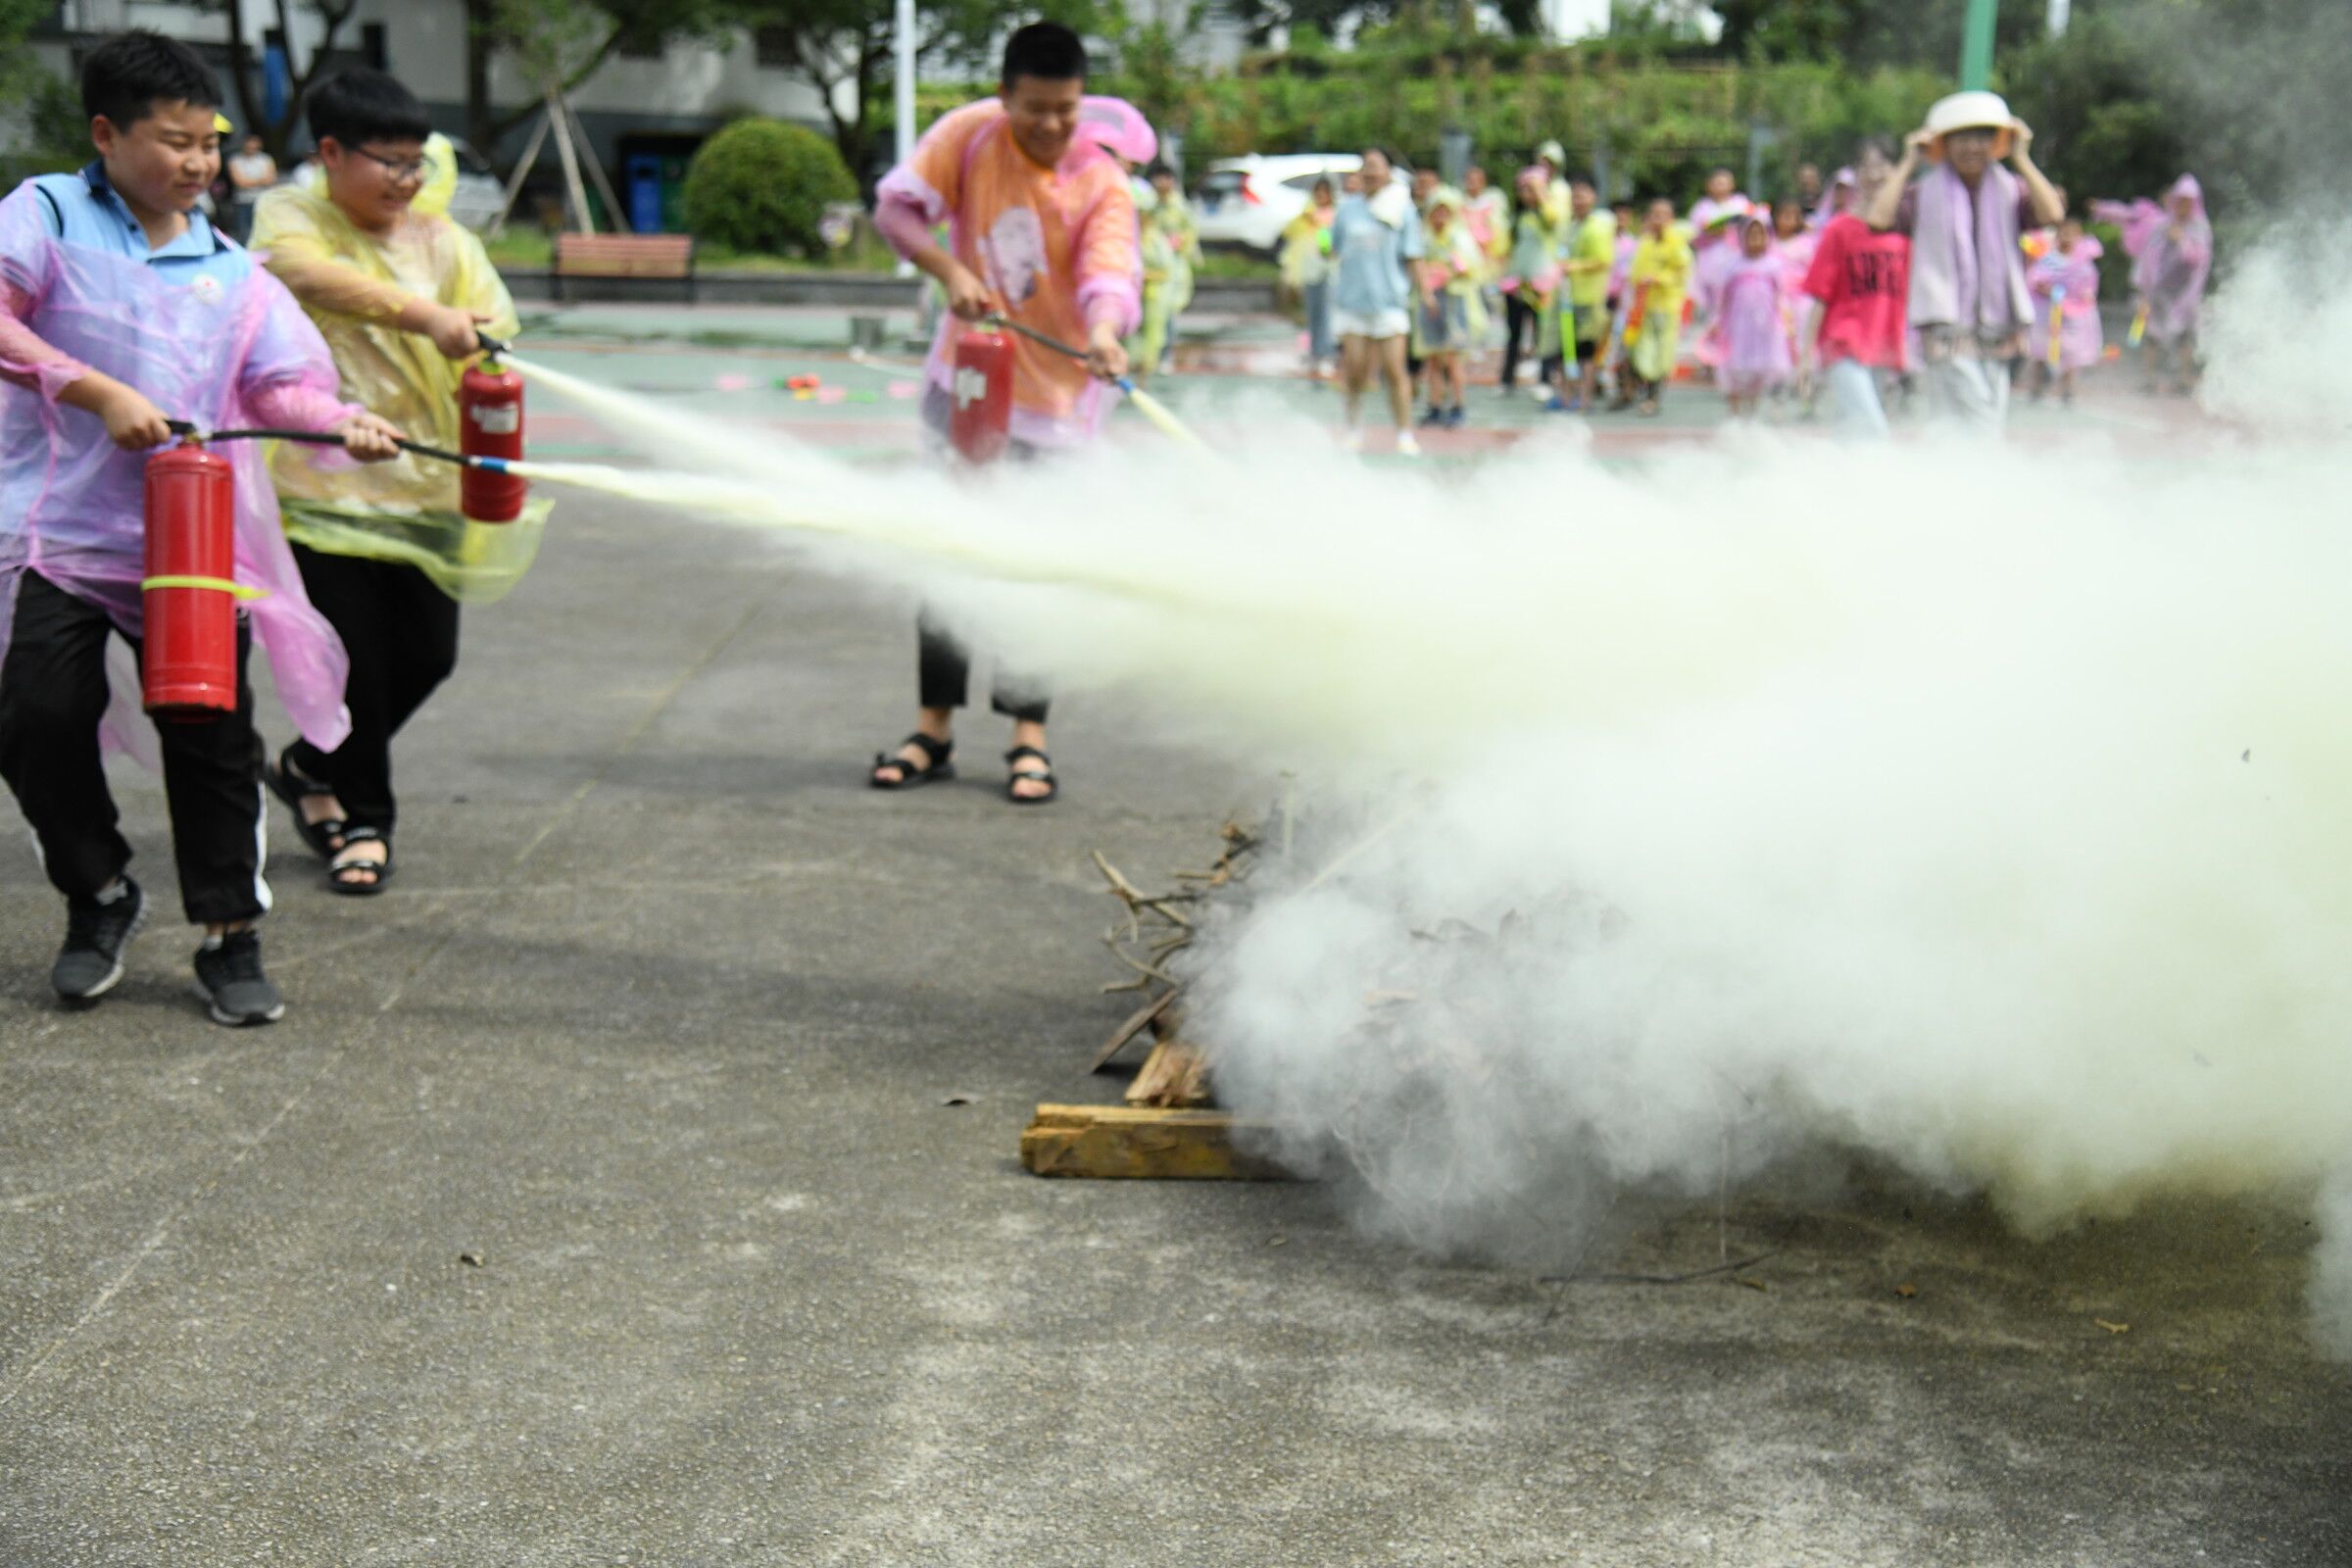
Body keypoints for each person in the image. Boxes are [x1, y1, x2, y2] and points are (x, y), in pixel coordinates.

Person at [0, 32, 401, 1022]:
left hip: (187, 543)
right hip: (60, 534)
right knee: (34, 720)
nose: (198, 163)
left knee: (211, 733)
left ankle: (231, 934)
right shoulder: (46, 215)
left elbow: (282, 384)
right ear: (106, 133)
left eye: (208, 143)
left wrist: (342, 420)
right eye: (174, 142)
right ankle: (98, 893)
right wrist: (94, 392)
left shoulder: (227, 263)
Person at [250, 67, 534, 895]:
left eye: (419, 164)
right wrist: (425, 317)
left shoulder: (443, 239)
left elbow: (492, 319)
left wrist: (475, 334)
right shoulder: (290, 215)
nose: (409, 182)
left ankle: (307, 763)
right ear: (332, 153)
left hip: (426, 482)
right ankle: (365, 822)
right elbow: (297, 275)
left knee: (427, 657)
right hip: (319, 485)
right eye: (391, 163)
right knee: (355, 666)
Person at [865, 21, 1139, 804]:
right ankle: (933, 729)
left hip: (1055, 404)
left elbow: (1108, 275)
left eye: (1068, 110)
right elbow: (896, 213)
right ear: (1005, 98)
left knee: (1033, 568)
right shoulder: (969, 137)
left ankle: (1029, 736)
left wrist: (1104, 333)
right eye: (1036, 111)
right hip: (967, 386)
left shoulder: (1103, 181)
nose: (1052, 127)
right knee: (947, 549)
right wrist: (949, 269)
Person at [1863, 90, 2064, 433]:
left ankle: (1952, 478)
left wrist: (2022, 159)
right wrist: (1910, 162)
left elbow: (2053, 213)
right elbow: (1878, 219)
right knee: (1982, 419)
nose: (1972, 148)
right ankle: (1986, 474)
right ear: (1946, 145)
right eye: (1962, 139)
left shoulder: (2011, 189)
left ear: (1994, 143)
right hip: (1945, 326)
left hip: (1997, 328)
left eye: (1981, 139)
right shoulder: (1924, 193)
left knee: (1963, 419)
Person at [1800, 137, 1911, 439]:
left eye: (1882, 166)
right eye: (1866, 167)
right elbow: (1820, 296)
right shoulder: (1840, 228)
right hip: (1843, 342)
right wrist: (1806, 354)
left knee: (1852, 430)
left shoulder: (1905, 229)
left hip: (1882, 346)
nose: (1874, 175)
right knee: (1873, 428)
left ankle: (1835, 482)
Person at [1330, 145, 1424, 457]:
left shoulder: (1402, 209)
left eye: (1376, 166)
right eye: (1365, 166)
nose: (1370, 172)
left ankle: (1404, 433)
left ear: (1388, 172)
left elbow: (1413, 256)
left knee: (1395, 370)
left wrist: (1425, 292)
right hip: (1353, 301)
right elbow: (1334, 249)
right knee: (1355, 370)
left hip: (1389, 302)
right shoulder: (1347, 209)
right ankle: (1354, 429)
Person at [2091, 174, 2211, 397]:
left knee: (2184, 338)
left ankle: (2182, 379)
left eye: (2188, 201)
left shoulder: (2199, 228)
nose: (2183, 205)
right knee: (2151, 336)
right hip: (2156, 294)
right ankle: (2150, 378)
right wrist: (2143, 289)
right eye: (2180, 200)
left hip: (2185, 296)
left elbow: (2199, 260)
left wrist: (2181, 241)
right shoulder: (2162, 225)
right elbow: (2148, 257)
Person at [1414, 186, 1480, 429]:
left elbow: (1471, 270)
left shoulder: (1458, 239)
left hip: (1454, 302)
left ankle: (1458, 405)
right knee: (1433, 358)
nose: (1440, 217)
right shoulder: (1424, 238)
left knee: (1453, 358)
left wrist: (1451, 271)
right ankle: (1434, 405)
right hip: (1430, 302)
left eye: (1445, 212)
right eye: (1436, 211)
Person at [1622, 197, 1691, 417]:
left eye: (1663, 214)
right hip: (1644, 307)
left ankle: (1653, 397)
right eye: (1654, 214)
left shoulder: (1676, 243)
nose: (1658, 219)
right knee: (1641, 351)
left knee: (1661, 354)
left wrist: (1659, 279)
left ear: (1671, 218)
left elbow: (1681, 272)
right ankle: (1635, 391)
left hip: (1667, 307)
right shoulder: (1645, 243)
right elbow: (1634, 274)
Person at [1718, 212, 1792, 417]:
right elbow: (1723, 299)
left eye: (1760, 235)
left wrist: (1785, 323)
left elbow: (1782, 296)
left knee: (1758, 369)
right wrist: (1718, 324)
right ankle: (1734, 413)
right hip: (1738, 325)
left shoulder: (1774, 265)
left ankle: (1752, 412)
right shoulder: (1733, 265)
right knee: (1736, 367)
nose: (1755, 240)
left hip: (1765, 326)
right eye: (1750, 235)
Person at [1131, 161, 1199, 385]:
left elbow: (1190, 234)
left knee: (1166, 316)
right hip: (1145, 269)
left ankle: (1163, 356)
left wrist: (1180, 243)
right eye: (1158, 177)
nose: (1162, 182)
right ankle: (1141, 360)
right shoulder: (1146, 204)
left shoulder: (1180, 207)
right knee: (1143, 319)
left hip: (1171, 270)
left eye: (1166, 177)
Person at [2025, 216, 2103, 405]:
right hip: (2047, 314)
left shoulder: (2083, 262)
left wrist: (2083, 296)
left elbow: (2088, 286)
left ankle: (2067, 391)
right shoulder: (2048, 259)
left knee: (2070, 354)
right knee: (2042, 352)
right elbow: (2037, 280)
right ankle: (2037, 388)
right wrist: (2050, 291)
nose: (2068, 238)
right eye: (2064, 233)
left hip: (2072, 317)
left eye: (2072, 234)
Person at [1497, 166, 1561, 398]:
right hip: (1517, 283)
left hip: (1540, 283)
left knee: (1541, 333)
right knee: (1514, 334)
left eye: (1532, 189)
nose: (1528, 194)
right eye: (1524, 189)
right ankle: (1507, 380)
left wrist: (1540, 191)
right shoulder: (1518, 218)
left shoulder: (1548, 216)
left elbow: (1552, 218)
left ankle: (1545, 379)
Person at [1554, 175, 1616, 413]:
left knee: (1586, 352)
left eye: (1583, 195)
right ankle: (1566, 396)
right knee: (1565, 351)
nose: (1578, 200)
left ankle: (1585, 399)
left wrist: (1572, 267)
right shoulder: (1569, 228)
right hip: (1566, 298)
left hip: (1589, 298)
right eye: (1575, 195)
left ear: (1593, 197)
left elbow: (1603, 260)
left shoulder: (1598, 228)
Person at [1279, 175, 1338, 377]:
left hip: (1329, 270)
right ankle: (1314, 351)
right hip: (1309, 269)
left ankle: (1326, 352)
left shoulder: (1335, 215)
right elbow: (1289, 233)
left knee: (1327, 312)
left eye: (1325, 192)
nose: (1321, 196)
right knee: (1312, 312)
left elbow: (1332, 244)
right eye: (1318, 192)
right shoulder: (1306, 215)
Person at [224, 131, 275, 243]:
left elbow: (270, 180)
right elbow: (239, 182)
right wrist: (261, 180)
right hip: (242, 202)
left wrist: (248, 181)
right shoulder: (235, 160)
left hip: (262, 202)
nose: (251, 146)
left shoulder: (266, 159)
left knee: (263, 233)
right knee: (244, 235)